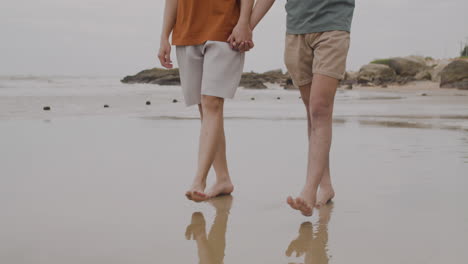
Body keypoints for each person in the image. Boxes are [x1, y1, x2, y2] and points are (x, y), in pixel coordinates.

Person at [246, 0, 355, 216]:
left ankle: (309, 189)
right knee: (312, 113)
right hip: (296, 30)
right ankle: (325, 185)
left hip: (333, 26)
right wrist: (247, 26)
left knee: (319, 109)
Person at [158, 0, 254, 202]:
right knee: (205, 109)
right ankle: (223, 178)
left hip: (225, 30)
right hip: (186, 31)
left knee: (212, 103)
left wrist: (244, 22)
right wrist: (164, 36)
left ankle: (199, 180)